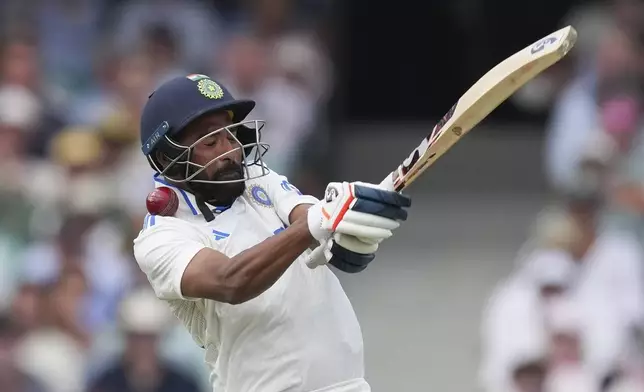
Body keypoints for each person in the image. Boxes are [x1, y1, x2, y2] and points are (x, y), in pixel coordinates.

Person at [133, 74, 411, 391]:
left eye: (230, 135)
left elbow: (308, 216)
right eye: (210, 142)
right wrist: (316, 225)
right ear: (168, 158)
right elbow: (230, 281)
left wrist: (344, 225)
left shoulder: (257, 181)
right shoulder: (160, 237)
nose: (230, 151)